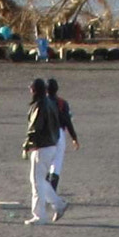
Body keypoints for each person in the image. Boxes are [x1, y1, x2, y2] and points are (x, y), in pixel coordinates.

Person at [23, 79, 62, 224]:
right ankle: (59, 204)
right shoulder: (50, 103)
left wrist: (28, 145)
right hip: (51, 145)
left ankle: (39, 215)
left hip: (41, 147)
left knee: (36, 182)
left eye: (31, 88)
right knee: (39, 180)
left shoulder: (40, 105)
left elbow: (35, 128)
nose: (30, 91)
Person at [45, 77, 80, 207]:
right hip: (58, 134)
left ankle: (43, 194)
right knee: (56, 165)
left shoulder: (42, 102)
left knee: (43, 164)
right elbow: (67, 121)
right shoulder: (62, 103)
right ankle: (51, 194)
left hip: (45, 134)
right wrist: (74, 138)